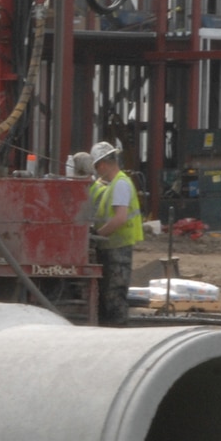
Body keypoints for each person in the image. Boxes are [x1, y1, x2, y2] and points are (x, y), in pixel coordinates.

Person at [87, 140, 143, 327]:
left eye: (96, 167)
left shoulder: (120, 184)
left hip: (118, 251)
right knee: (107, 296)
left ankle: (118, 333)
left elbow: (120, 218)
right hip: (111, 248)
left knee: (114, 296)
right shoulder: (111, 185)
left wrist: (96, 236)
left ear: (102, 164)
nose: (96, 171)